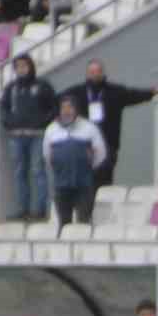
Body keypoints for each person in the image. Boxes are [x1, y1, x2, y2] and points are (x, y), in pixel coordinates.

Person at [60, 61, 158, 188]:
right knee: (84, 180)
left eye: (98, 71)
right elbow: (58, 102)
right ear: (87, 74)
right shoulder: (77, 92)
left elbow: (134, 95)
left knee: (104, 180)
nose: (95, 74)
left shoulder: (114, 91)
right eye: (92, 72)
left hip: (108, 143)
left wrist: (152, 92)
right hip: (83, 144)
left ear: (103, 73)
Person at [1, 54, 58, 222]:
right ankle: (22, 209)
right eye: (18, 66)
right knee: (20, 173)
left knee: (37, 171)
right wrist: (10, 123)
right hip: (17, 136)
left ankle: (39, 209)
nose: (21, 69)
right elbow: (4, 109)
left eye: (24, 66)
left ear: (31, 66)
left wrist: (42, 123)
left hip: (37, 135)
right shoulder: (11, 88)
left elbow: (53, 107)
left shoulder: (42, 86)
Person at [43, 94, 107, 228]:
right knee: (64, 222)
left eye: (70, 107)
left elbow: (100, 153)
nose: (67, 111)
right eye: (63, 108)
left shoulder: (89, 128)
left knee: (83, 221)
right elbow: (47, 155)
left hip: (83, 183)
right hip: (61, 184)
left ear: (76, 109)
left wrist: (87, 166)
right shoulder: (51, 129)